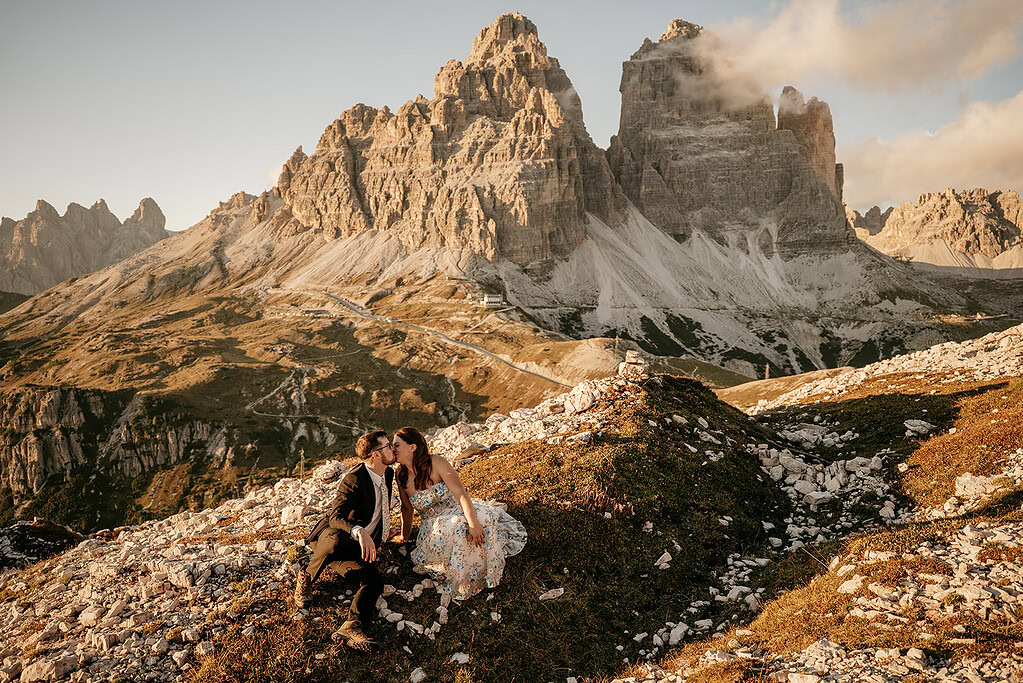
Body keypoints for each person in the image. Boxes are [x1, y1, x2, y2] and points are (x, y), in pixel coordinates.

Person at [391, 426, 526, 601]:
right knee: (455, 527)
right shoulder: (400, 475)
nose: (392, 450)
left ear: (412, 447)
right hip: (433, 524)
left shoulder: (436, 462)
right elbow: (407, 509)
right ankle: (463, 580)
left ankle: (483, 569)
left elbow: (461, 493)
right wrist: (404, 535)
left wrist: (473, 523)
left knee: (483, 517)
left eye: (396, 445)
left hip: (457, 509)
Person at [295, 429, 397, 651]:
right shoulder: (354, 478)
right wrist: (359, 531)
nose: (392, 449)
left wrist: (382, 534)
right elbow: (335, 517)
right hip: (335, 538)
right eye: (387, 446)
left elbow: (381, 508)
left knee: (374, 581)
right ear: (376, 455)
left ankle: (352, 625)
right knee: (334, 542)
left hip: (357, 547)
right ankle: (306, 577)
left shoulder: (388, 473)